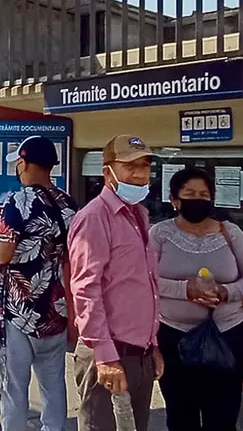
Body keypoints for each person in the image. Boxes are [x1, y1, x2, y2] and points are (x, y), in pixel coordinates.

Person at [149, 167, 243, 431]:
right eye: (189, 194)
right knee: (180, 414)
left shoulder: (229, 232)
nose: (197, 199)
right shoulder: (159, 234)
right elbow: (144, 280)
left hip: (227, 335)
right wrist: (184, 290)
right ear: (174, 199)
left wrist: (226, 292)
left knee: (222, 416)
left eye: (203, 194)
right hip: (174, 336)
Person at [0, 136, 78, 431]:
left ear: (26, 163)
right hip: (55, 310)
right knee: (54, 385)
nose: (18, 169)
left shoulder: (18, 201)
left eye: (19, 162)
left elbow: (4, 253)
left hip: (19, 313)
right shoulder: (69, 204)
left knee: (14, 390)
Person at [68, 135, 163, 431]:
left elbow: (141, 286)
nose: (139, 173)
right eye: (130, 166)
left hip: (140, 354)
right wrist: (106, 358)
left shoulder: (138, 215)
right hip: (108, 354)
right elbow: (86, 290)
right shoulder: (94, 218)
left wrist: (153, 346)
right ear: (107, 171)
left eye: (144, 165)